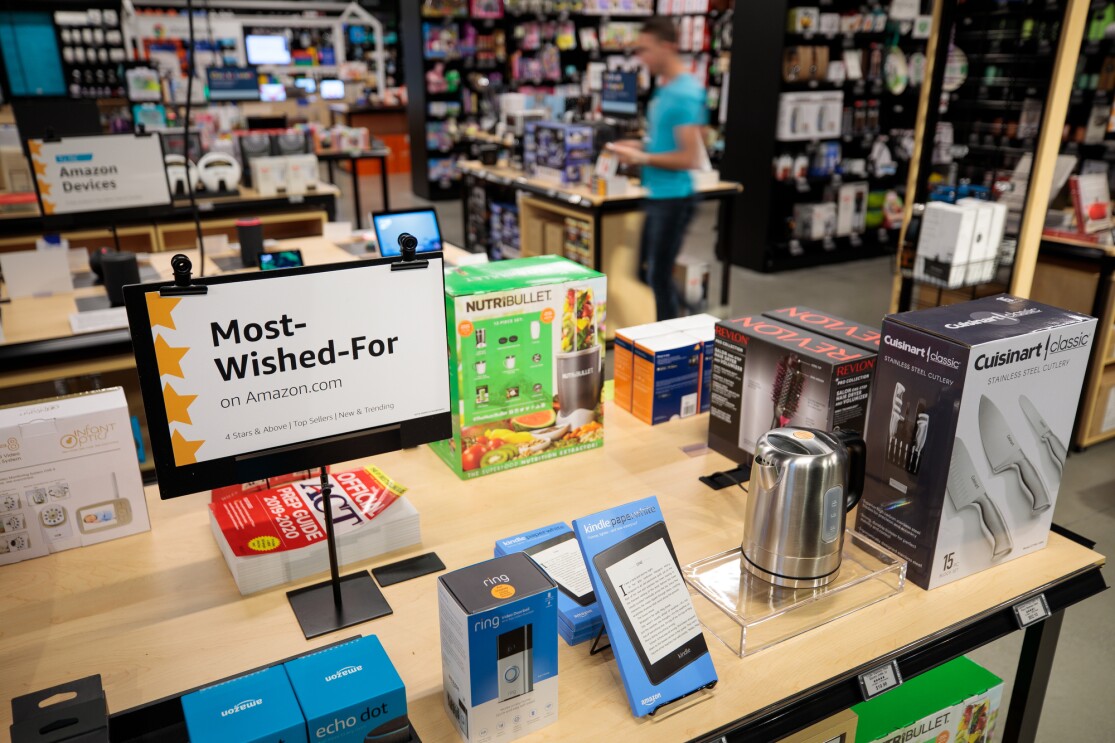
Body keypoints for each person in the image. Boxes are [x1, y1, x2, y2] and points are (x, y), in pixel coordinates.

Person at [607, 17, 707, 321]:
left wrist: (643, 159)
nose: (641, 57)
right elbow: (663, 144)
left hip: (674, 197)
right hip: (657, 194)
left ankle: (670, 344)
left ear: (667, 47)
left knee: (658, 278)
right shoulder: (663, 90)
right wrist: (638, 148)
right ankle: (691, 313)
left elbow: (690, 157)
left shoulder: (685, 93)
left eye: (646, 50)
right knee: (644, 271)